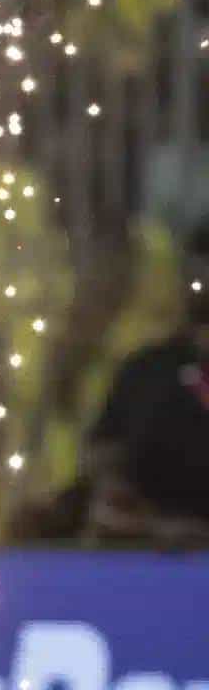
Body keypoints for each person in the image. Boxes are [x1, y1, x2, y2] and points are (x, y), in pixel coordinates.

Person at [85, 217, 209, 546]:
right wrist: (144, 522)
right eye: (198, 268)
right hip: (147, 555)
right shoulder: (146, 370)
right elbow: (104, 459)